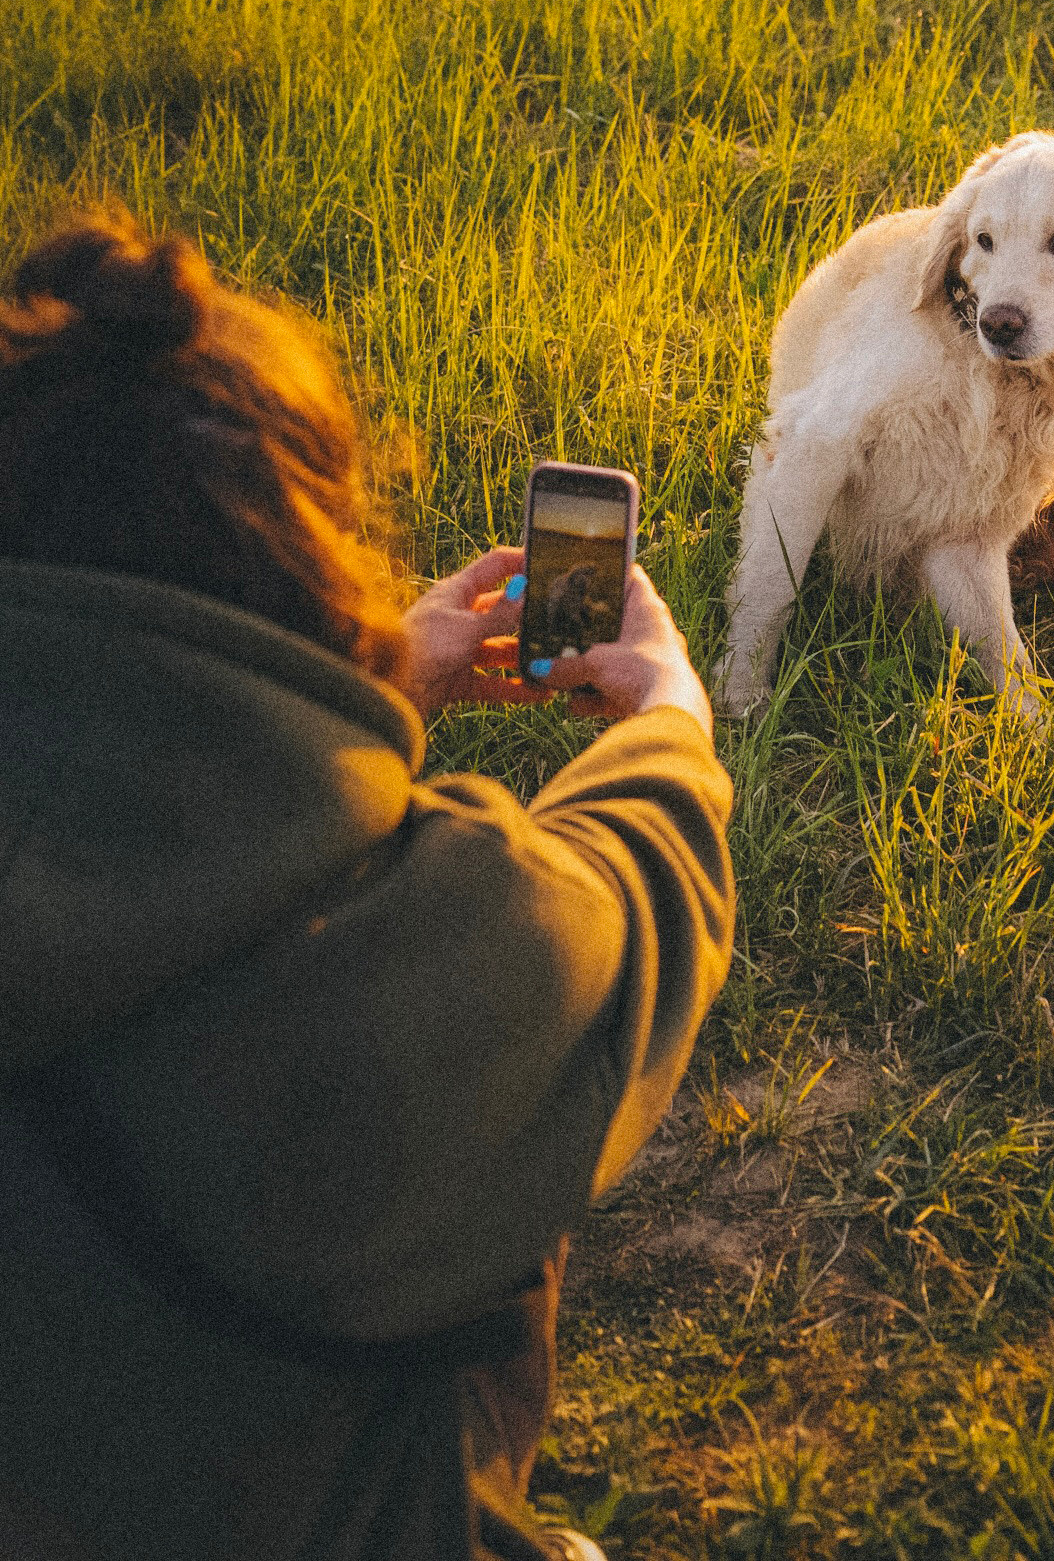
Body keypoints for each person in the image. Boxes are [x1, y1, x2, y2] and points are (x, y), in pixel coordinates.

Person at [0, 210, 735, 1561]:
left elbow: (118, 745)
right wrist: (668, 725)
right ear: (297, 552)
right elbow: (621, 919)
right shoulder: (413, 941)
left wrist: (358, 677)